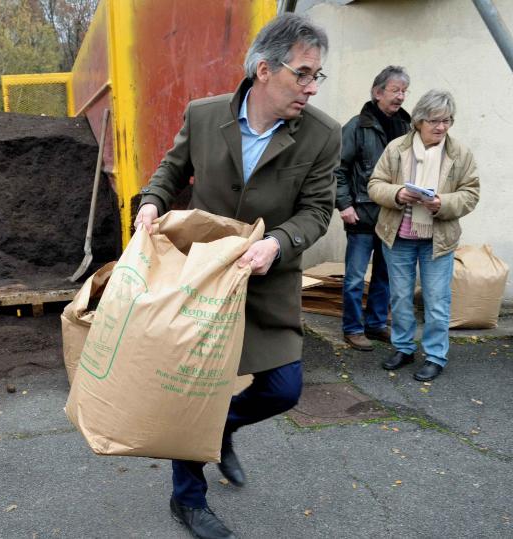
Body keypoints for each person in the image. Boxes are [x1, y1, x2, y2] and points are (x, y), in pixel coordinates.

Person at [135, 13, 340, 539]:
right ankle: (188, 499)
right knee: (191, 393)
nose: (312, 87)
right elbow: (171, 169)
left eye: (319, 76)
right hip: (203, 279)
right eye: (304, 73)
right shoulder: (204, 116)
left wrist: (278, 242)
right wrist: (152, 203)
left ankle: (220, 429)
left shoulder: (322, 135)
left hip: (268, 279)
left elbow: (318, 210)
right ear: (265, 70)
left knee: (283, 389)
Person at [368, 90, 479, 382]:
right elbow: (375, 185)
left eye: (447, 120)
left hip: (437, 239)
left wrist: (443, 203)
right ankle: (403, 348)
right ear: (419, 121)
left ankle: (435, 356)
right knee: (401, 297)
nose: (441, 127)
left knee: (437, 300)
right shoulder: (396, 149)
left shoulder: (459, 153)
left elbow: (471, 193)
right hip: (399, 236)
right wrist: (397, 193)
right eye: (434, 121)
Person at [336, 66, 411, 351]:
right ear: (378, 92)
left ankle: (376, 324)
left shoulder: (407, 126)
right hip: (361, 215)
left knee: (385, 275)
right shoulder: (357, 126)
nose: (401, 97)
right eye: (395, 90)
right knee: (355, 278)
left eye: (404, 91)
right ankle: (353, 329)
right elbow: (337, 169)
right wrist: (344, 204)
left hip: (393, 215)